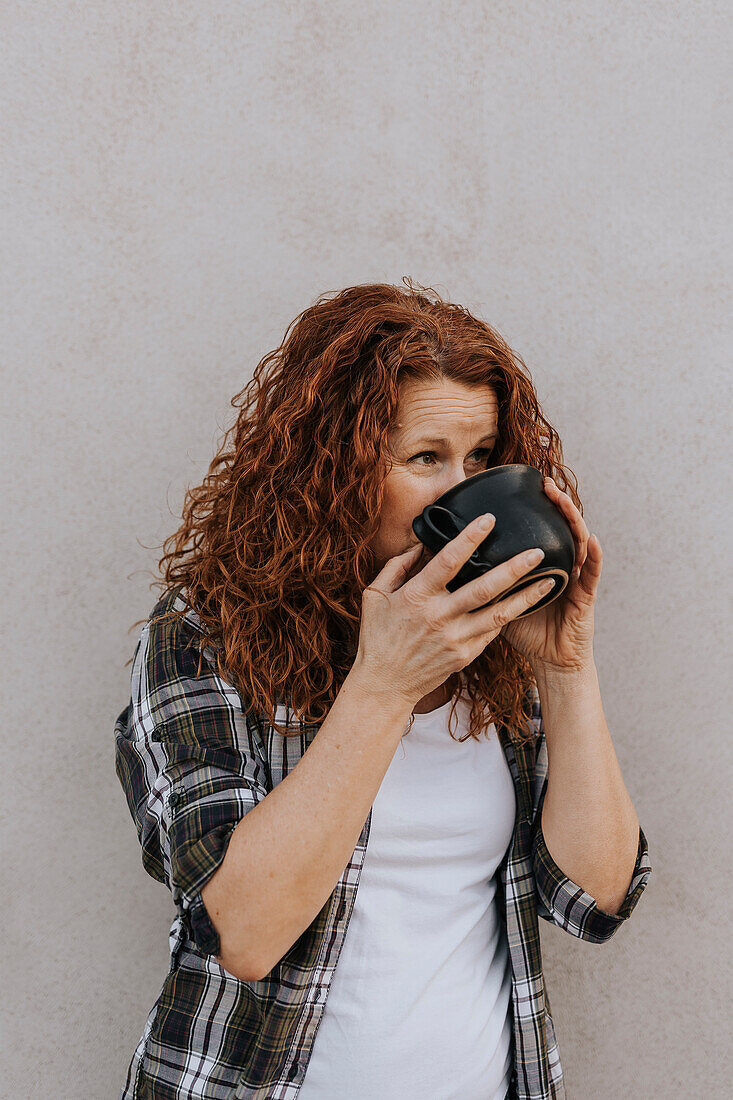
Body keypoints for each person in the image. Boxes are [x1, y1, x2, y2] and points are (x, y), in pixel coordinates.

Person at [114, 279, 652, 1100]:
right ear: (331, 471)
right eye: (425, 458)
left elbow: (592, 899)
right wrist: (383, 682)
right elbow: (244, 935)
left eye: (480, 460)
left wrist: (564, 668)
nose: (462, 493)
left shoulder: (496, 657)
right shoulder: (207, 635)